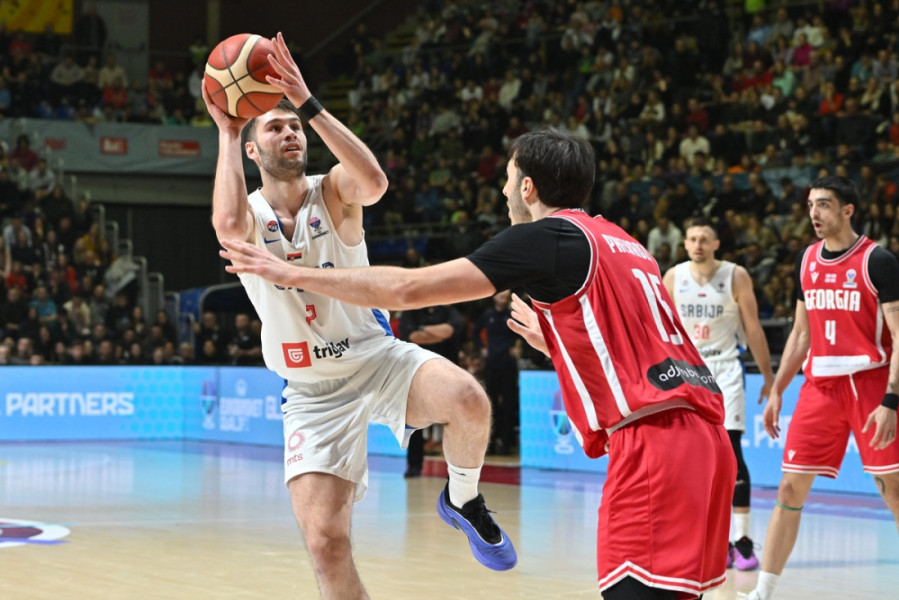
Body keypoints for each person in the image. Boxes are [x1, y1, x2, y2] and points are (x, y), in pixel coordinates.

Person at [219, 128, 736, 600]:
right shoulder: (623, 242)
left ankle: (462, 498)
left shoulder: (543, 239)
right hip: (707, 441)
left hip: (656, 443)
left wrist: (292, 274)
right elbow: (638, 344)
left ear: (529, 187)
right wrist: (558, 345)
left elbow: (406, 288)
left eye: (508, 181)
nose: (503, 192)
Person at [202, 32, 516, 599]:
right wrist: (227, 130)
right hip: (311, 392)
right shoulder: (245, 213)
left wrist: (309, 102)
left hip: (377, 359)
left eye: (293, 125)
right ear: (254, 150)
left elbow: (375, 181)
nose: (290, 132)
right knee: (326, 544)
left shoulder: (333, 193)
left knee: (469, 400)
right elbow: (226, 230)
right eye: (274, 126)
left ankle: (463, 497)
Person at [744, 175, 899, 600]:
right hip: (820, 387)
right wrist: (777, 388)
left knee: (894, 491)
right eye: (811, 204)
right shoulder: (806, 259)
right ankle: (762, 592)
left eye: (824, 204)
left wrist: (891, 399)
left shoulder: (878, 261)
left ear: (848, 210)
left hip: (870, 384)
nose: (814, 212)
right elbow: (800, 334)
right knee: (788, 488)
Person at [663, 216, 776, 571]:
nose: (698, 244)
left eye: (704, 238)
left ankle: (742, 540)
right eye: (692, 238)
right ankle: (709, 541)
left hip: (725, 370)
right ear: (685, 244)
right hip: (686, 373)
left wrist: (770, 380)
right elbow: (661, 330)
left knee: (730, 452)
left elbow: (754, 328)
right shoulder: (673, 277)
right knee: (689, 459)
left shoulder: (735, 274)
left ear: (716, 244)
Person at [398, 303, 464, 477]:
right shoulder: (411, 312)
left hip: (448, 374)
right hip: (418, 373)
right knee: (414, 423)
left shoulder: (450, 311)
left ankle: (456, 470)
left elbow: (450, 331)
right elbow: (412, 335)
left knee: (453, 423)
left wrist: (424, 331)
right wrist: (438, 335)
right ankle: (414, 465)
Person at [472, 289, 522, 455]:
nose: (502, 300)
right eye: (501, 297)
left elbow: (523, 331)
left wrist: (517, 346)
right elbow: (475, 333)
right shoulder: (488, 315)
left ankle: (506, 444)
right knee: (490, 404)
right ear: (494, 297)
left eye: (505, 298)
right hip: (492, 363)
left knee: (509, 404)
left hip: (508, 362)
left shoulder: (512, 314)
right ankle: (491, 444)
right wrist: (482, 349)